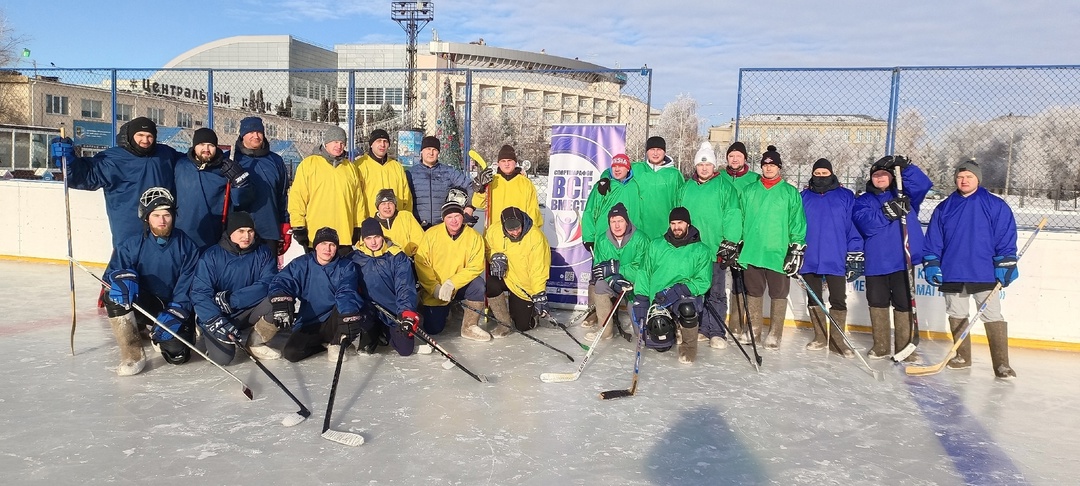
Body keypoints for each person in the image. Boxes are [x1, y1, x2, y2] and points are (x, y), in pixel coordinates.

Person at [923, 160, 1018, 378]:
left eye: (969, 177)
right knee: (956, 313)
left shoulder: (995, 205)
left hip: (983, 272)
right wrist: (932, 263)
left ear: (978, 179)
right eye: (960, 177)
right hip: (953, 271)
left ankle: (1002, 364)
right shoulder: (944, 207)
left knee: (992, 314)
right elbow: (934, 241)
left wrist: (1005, 263)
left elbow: (1005, 237)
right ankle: (962, 357)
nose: (964, 180)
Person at [102, 187, 199, 375]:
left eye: (166, 215)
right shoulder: (132, 244)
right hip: (145, 302)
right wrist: (122, 278)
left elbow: (189, 284)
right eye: (156, 215)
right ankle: (133, 354)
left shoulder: (187, 246)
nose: (162, 221)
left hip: (173, 307)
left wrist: (177, 311)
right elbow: (110, 275)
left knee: (177, 357)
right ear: (146, 217)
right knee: (112, 295)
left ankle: (159, 333)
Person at [852, 155, 932, 361]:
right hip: (877, 261)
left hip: (902, 261)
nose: (879, 178)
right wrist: (888, 212)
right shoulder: (863, 201)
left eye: (884, 174)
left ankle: (905, 347)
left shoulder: (906, 196)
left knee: (904, 303)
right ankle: (881, 346)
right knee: (877, 302)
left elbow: (923, 185)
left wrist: (906, 168)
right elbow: (867, 224)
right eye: (875, 175)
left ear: (891, 177)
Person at [58, 117, 179, 247]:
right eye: (140, 135)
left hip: (162, 225)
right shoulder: (112, 159)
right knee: (129, 263)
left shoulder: (165, 154)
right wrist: (68, 161)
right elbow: (85, 176)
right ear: (130, 135)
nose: (145, 140)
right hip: (128, 229)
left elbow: (188, 166)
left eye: (149, 136)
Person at [735, 146, 807, 349]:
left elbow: (797, 222)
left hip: (778, 251)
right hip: (753, 250)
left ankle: (775, 333)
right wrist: (737, 240)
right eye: (765, 164)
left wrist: (796, 247)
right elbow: (739, 218)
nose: (768, 168)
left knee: (778, 293)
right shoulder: (749, 191)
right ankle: (753, 330)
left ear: (779, 167)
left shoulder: (790, 193)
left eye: (772, 164)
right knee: (754, 292)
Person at [190, 211, 281, 365]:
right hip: (220, 314)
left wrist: (232, 299)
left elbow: (269, 282)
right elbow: (200, 293)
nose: (246, 236)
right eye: (241, 231)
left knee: (278, 301)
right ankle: (208, 334)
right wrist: (214, 318)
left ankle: (255, 342)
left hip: (248, 310)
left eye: (250, 231)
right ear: (230, 232)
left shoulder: (263, 252)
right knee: (222, 359)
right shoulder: (211, 256)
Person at [267, 227, 368, 362]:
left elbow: (347, 292)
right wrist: (281, 299)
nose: (327, 249)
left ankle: (336, 342)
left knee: (345, 304)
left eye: (332, 245)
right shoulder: (301, 264)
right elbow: (283, 281)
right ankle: (321, 345)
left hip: (334, 320)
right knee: (291, 353)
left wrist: (348, 315)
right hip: (310, 320)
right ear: (316, 246)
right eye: (323, 244)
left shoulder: (345, 266)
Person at [677, 142, 743, 349]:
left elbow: (733, 215)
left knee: (715, 291)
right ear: (695, 166)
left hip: (715, 249)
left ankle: (715, 330)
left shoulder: (725, 187)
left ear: (714, 166)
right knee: (693, 291)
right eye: (700, 165)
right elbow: (678, 215)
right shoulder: (686, 187)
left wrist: (729, 242)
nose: (704, 168)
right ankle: (697, 328)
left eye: (708, 165)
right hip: (692, 250)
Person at [632, 207, 713, 364]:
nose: (676, 227)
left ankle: (689, 347)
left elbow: (704, 281)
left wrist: (679, 289)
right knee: (660, 345)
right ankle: (672, 329)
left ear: (688, 224)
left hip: (683, 297)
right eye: (673, 223)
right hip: (659, 299)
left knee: (687, 309)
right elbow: (644, 272)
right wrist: (641, 299)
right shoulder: (656, 245)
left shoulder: (701, 250)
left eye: (680, 223)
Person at [799, 158, 862, 357]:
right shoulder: (803, 197)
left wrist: (855, 252)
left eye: (824, 174)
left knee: (838, 299)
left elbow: (853, 227)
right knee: (814, 298)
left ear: (832, 174)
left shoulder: (845, 196)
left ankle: (837, 339)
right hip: (810, 257)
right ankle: (819, 336)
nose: (820, 177)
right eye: (816, 174)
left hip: (835, 256)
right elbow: (795, 226)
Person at [414, 189, 489, 341]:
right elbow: (422, 263)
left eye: (457, 216)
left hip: (457, 285)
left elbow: (475, 266)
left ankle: (469, 326)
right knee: (433, 329)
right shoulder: (431, 234)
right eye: (449, 217)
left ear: (462, 217)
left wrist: (452, 283)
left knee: (478, 285)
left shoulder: (474, 237)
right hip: (436, 288)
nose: (454, 220)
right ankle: (433, 306)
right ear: (444, 219)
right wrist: (434, 288)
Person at [288, 126, 366, 256]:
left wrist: (358, 226)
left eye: (342, 143)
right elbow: (297, 198)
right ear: (326, 143)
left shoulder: (350, 168)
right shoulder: (309, 164)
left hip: (344, 234)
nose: (339, 146)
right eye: (335, 142)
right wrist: (298, 225)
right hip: (316, 236)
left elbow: (358, 201)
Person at [350, 218, 422, 356]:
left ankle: (385, 331)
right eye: (369, 238)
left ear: (382, 236)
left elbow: (405, 287)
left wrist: (406, 313)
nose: (373, 242)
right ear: (363, 239)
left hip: (392, 312)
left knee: (405, 349)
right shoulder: (354, 258)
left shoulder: (397, 257)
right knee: (365, 348)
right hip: (369, 310)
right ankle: (373, 334)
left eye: (377, 237)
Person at [173, 127, 250, 249]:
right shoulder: (181, 166)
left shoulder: (225, 169)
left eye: (211, 145)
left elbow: (240, 201)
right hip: (184, 232)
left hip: (213, 234)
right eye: (202, 144)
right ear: (194, 146)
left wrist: (241, 183)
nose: (206, 149)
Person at [718, 141, 760, 343]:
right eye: (731, 156)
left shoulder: (754, 180)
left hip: (746, 238)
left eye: (739, 156)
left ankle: (739, 323)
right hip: (721, 238)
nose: (734, 159)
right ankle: (722, 322)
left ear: (745, 158)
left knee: (741, 280)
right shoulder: (719, 177)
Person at [585, 203, 646, 341]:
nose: (616, 225)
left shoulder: (640, 238)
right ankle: (605, 331)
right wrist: (613, 279)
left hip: (634, 285)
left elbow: (643, 269)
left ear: (627, 221)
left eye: (620, 221)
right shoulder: (602, 239)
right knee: (600, 285)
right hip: (613, 283)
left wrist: (618, 270)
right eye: (613, 221)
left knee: (641, 335)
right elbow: (599, 268)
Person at [485, 206, 551, 333]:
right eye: (510, 230)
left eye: (517, 228)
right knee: (491, 283)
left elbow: (538, 269)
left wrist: (538, 294)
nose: (515, 233)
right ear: (504, 227)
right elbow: (487, 248)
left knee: (523, 326)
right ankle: (503, 322)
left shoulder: (536, 237)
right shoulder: (494, 230)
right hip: (506, 277)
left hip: (524, 286)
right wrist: (494, 256)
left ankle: (531, 314)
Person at [232, 117, 291, 256]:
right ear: (242, 135)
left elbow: (282, 196)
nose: (256, 136)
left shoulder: (276, 161)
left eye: (259, 132)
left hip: (269, 229)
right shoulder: (231, 159)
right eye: (250, 132)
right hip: (239, 231)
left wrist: (285, 223)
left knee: (268, 273)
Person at [470, 144, 542, 237]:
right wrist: (480, 190)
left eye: (509, 160)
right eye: (503, 161)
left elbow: (533, 211)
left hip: (517, 233)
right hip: (494, 234)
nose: (506, 164)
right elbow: (477, 204)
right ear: (498, 163)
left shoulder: (525, 183)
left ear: (515, 162)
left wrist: (530, 232)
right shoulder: (491, 181)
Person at [406, 135, 476, 229]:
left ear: (438, 152)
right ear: (422, 151)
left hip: (443, 226)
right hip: (417, 226)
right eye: (428, 149)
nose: (431, 153)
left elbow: (470, 186)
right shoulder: (411, 173)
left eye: (434, 150)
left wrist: (469, 207)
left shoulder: (449, 172)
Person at [582, 153, 640, 252]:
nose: (617, 169)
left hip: (630, 237)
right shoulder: (603, 186)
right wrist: (588, 237)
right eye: (614, 166)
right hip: (605, 237)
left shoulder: (636, 186)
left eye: (621, 166)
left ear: (628, 169)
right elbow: (590, 211)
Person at [630, 136, 684, 239]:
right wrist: (604, 179)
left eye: (659, 150)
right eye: (652, 149)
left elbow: (681, 200)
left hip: (664, 228)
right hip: (639, 228)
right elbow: (615, 170)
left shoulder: (674, 174)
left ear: (664, 152)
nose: (655, 153)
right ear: (646, 152)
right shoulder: (636, 169)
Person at [355, 129, 413, 216]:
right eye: (378, 141)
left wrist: (406, 218)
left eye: (385, 141)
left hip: (395, 221)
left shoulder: (397, 167)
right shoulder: (360, 166)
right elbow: (356, 198)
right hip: (370, 221)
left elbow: (406, 197)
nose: (382, 144)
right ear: (371, 144)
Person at [372, 189, 425, 258]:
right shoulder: (372, 224)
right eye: (383, 203)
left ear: (395, 205)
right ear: (378, 207)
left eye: (390, 203)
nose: (387, 207)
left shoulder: (406, 217)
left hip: (408, 260)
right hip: (383, 263)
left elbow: (420, 241)